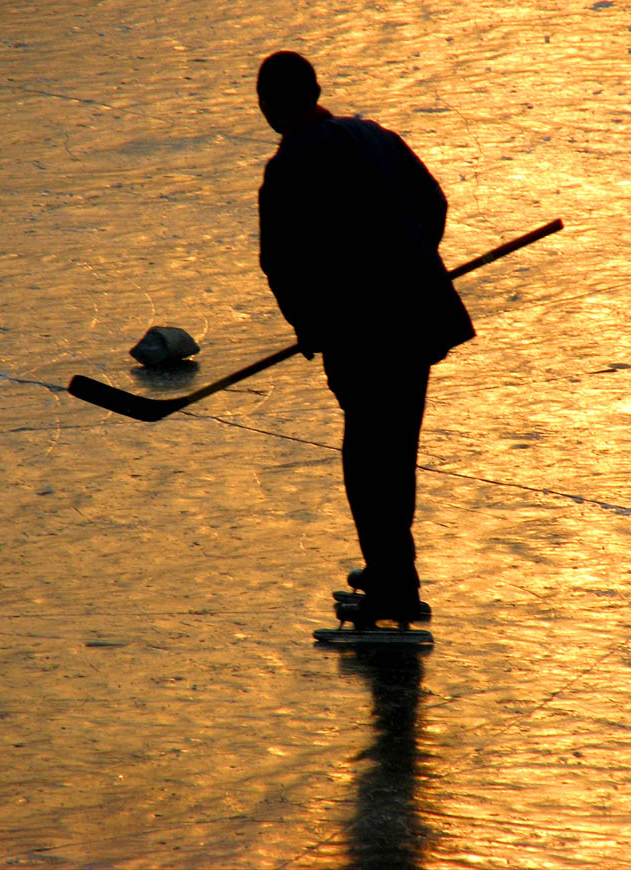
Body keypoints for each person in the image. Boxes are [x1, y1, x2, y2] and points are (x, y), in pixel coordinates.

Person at [256, 51, 475, 626]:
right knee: (394, 448)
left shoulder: (290, 165)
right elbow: (432, 201)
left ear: (271, 106)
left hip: (363, 330)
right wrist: (415, 262)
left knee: (368, 456)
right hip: (417, 315)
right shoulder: (374, 137)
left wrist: (309, 323)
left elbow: (281, 261)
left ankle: (393, 583)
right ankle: (391, 571)